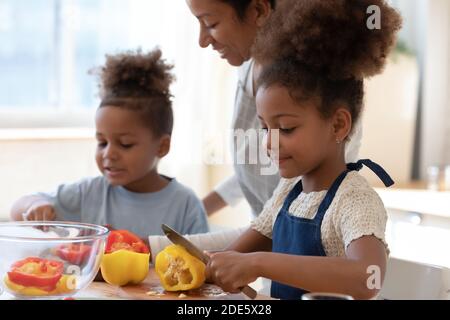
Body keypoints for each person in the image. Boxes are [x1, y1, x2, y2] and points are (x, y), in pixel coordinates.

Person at [205, 0, 402, 300]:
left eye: (286, 129)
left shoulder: (354, 200)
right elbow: (230, 258)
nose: (270, 142)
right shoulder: (288, 192)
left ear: (337, 125)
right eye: (264, 127)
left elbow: (369, 278)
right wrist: (207, 265)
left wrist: (258, 263)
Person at [148, 0, 363, 260]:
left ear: (258, 11)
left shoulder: (314, 86)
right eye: (264, 127)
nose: (202, 41)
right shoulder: (250, 66)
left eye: (210, 23)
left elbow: (277, 233)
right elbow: (260, 170)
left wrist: (156, 248)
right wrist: (195, 212)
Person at [10, 49, 209, 239]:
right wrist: (36, 205)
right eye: (102, 142)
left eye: (125, 144)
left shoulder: (185, 205)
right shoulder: (87, 193)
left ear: (162, 147)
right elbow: (17, 209)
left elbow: (201, 260)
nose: (109, 154)